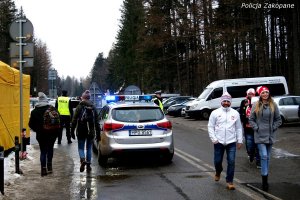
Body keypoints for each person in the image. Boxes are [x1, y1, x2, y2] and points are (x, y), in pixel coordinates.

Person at [208, 92, 243, 190]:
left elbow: (239, 128)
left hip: (231, 142)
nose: (226, 103)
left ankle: (229, 181)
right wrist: (214, 139)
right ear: (221, 102)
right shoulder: (215, 113)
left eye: (228, 101)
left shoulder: (235, 113)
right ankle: (218, 171)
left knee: (231, 161)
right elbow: (210, 126)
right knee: (217, 161)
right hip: (218, 142)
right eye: (224, 101)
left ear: (230, 102)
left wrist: (240, 140)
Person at [249, 86, 282, 191]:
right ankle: (264, 181)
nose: (265, 94)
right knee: (263, 156)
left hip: (270, 136)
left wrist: (274, 127)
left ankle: (265, 178)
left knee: (267, 157)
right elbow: (251, 119)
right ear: (260, 94)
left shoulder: (273, 105)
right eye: (263, 93)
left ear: (269, 93)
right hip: (259, 135)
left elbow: (278, 120)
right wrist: (256, 128)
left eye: (266, 92)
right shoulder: (256, 105)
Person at [29, 92, 60, 176]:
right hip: (52, 134)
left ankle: (43, 169)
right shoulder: (52, 109)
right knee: (50, 149)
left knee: (43, 151)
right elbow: (58, 120)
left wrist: (38, 129)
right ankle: (49, 166)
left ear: (39, 101)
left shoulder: (34, 112)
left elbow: (30, 124)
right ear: (46, 100)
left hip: (41, 134)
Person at [71, 90, 100, 172]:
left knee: (80, 148)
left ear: (83, 98)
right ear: (89, 98)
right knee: (89, 148)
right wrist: (98, 134)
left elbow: (74, 119)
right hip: (90, 131)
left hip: (80, 130)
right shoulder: (93, 107)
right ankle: (88, 166)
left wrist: (72, 131)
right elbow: (96, 122)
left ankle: (83, 160)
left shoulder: (79, 106)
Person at [239, 88, 261, 168]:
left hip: (257, 128)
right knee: (249, 145)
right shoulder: (244, 102)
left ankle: (259, 162)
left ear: (254, 94)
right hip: (247, 128)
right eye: (249, 94)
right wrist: (245, 118)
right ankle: (251, 154)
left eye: (252, 94)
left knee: (258, 145)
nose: (250, 95)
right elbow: (241, 113)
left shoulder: (258, 102)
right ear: (247, 94)